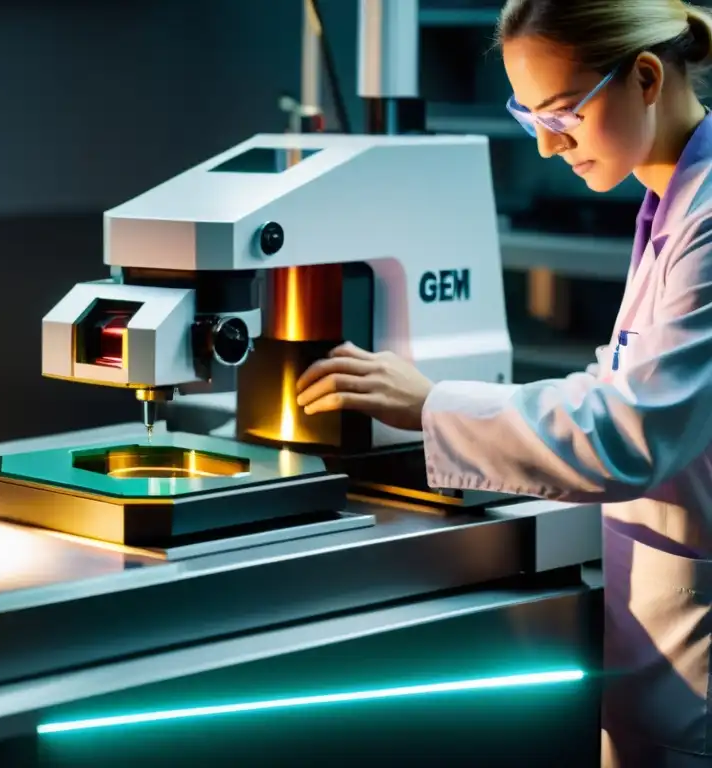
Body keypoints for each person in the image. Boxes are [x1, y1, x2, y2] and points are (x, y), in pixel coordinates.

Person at [295, 0, 712, 765]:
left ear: (646, 77)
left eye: (564, 115)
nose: (550, 149)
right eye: (529, 119)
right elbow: (625, 375)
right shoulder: (669, 203)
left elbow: (633, 431)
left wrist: (432, 405)